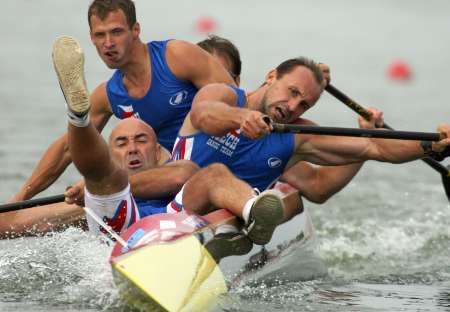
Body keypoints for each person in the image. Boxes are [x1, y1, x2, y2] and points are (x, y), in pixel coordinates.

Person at [169, 56, 450, 245]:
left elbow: (374, 146)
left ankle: (249, 222)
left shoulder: (298, 136)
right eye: (292, 92)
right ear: (271, 76)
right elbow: (203, 114)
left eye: (304, 104)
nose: (292, 107)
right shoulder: (224, 95)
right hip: (171, 210)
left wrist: (430, 145)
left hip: (219, 227)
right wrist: (240, 118)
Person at [10, 0, 234, 203]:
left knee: (106, 185)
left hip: (213, 170)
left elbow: (235, 99)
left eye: (116, 32)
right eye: (100, 35)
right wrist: (21, 197)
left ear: (135, 30)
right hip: (161, 183)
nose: (108, 43)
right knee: (25, 219)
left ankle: (102, 191)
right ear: (91, 39)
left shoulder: (176, 56)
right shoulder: (109, 94)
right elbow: (67, 149)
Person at [197, 35, 365, 206]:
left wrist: (364, 142)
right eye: (198, 73)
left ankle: (258, 212)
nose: (209, 81)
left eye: (221, 74)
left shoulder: (266, 127)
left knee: (291, 205)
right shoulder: (178, 108)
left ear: (236, 81)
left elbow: (316, 186)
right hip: (178, 202)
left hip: (221, 211)